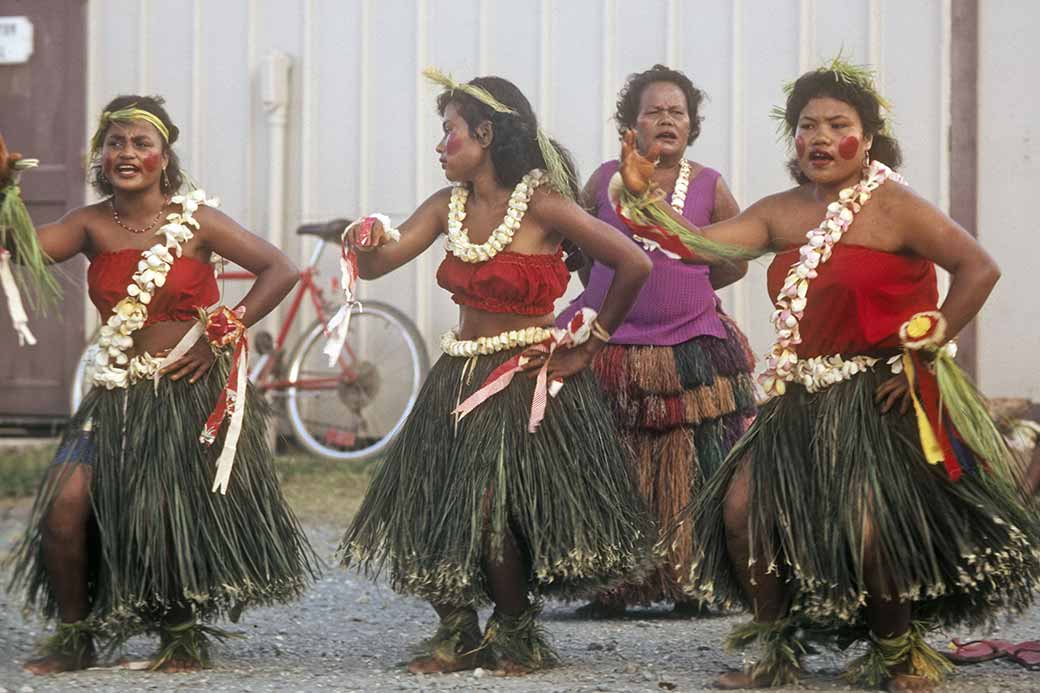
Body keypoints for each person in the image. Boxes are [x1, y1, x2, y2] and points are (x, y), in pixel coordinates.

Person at [613, 59, 1040, 691]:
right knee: (743, 512)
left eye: (837, 124)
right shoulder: (780, 211)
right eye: (807, 125)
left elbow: (979, 268)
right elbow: (699, 247)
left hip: (876, 396)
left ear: (868, 138)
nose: (819, 137)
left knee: (870, 529)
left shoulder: (897, 209)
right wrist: (643, 198)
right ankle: (775, 654)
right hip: (799, 398)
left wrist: (928, 347)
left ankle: (898, 655)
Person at [338, 71, 655, 675]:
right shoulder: (446, 206)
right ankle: (457, 633)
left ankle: (514, 633)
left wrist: (592, 342)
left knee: (489, 507)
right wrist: (362, 241)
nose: (440, 145)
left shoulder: (541, 203)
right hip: (459, 376)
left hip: (524, 376)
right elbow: (381, 264)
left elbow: (632, 263)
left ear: (485, 134)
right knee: (430, 502)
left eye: (449, 132)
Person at [5, 95, 318, 674]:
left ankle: (180, 634)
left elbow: (281, 269)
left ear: (164, 157)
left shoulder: (196, 219)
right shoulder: (89, 223)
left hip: (187, 390)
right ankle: (77, 635)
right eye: (116, 143)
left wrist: (218, 334)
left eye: (140, 143)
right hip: (117, 390)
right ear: (100, 156)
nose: (127, 153)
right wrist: (5, 193)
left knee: (168, 511)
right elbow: (21, 249)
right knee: (64, 505)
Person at [558, 64, 755, 619]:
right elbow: (581, 255)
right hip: (605, 345)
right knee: (610, 460)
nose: (667, 121)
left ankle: (693, 580)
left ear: (691, 126)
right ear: (630, 124)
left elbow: (734, 262)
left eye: (678, 113)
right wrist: (609, 299)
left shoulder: (711, 187)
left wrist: (684, 289)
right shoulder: (601, 182)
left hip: (689, 349)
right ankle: (611, 582)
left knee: (688, 464)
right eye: (654, 112)